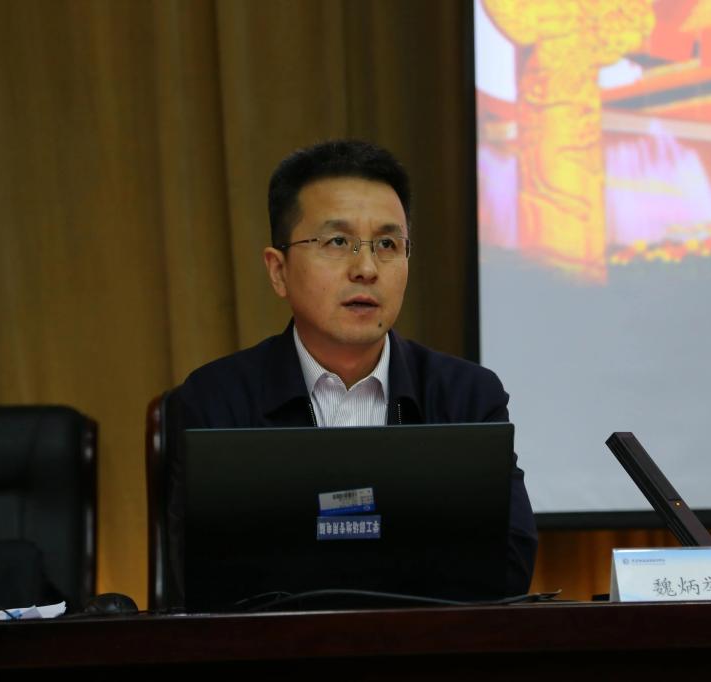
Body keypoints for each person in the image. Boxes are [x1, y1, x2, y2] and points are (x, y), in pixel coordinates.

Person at [171, 139, 537, 601]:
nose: (366, 268)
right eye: (337, 242)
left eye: (387, 244)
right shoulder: (216, 400)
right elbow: (206, 583)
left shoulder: (466, 396)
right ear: (278, 271)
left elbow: (507, 568)